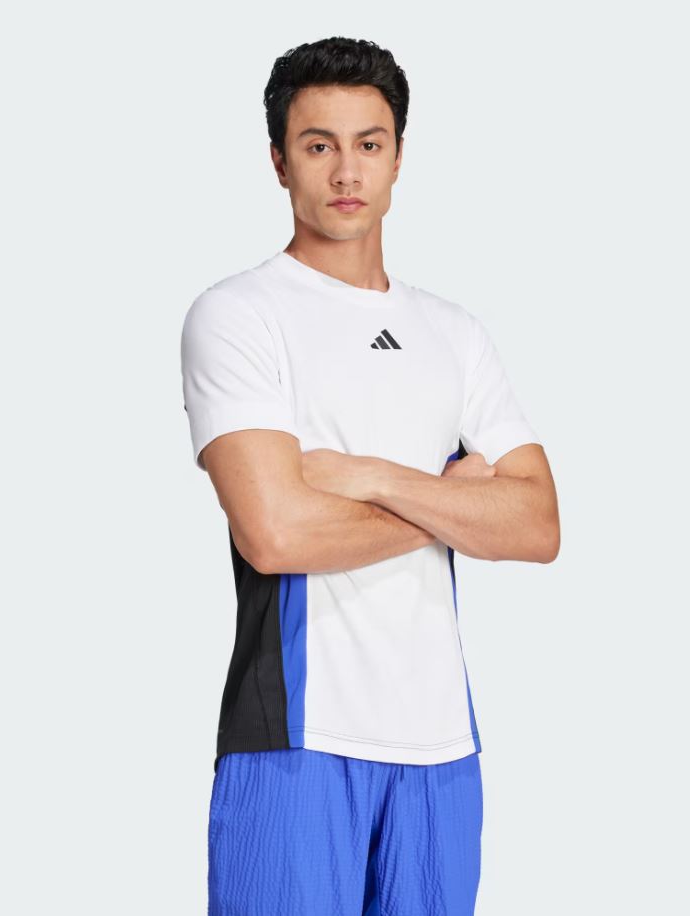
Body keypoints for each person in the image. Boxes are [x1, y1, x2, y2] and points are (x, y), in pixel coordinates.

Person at [180, 35, 560, 916]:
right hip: (296, 742)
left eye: (368, 143)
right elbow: (276, 535)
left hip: (442, 751)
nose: (346, 171)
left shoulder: (453, 332)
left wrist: (367, 477)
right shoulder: (238, 315)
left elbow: (537, 525)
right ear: (279, 162)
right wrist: (454, 503)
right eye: (318, 145)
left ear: (396, 157)